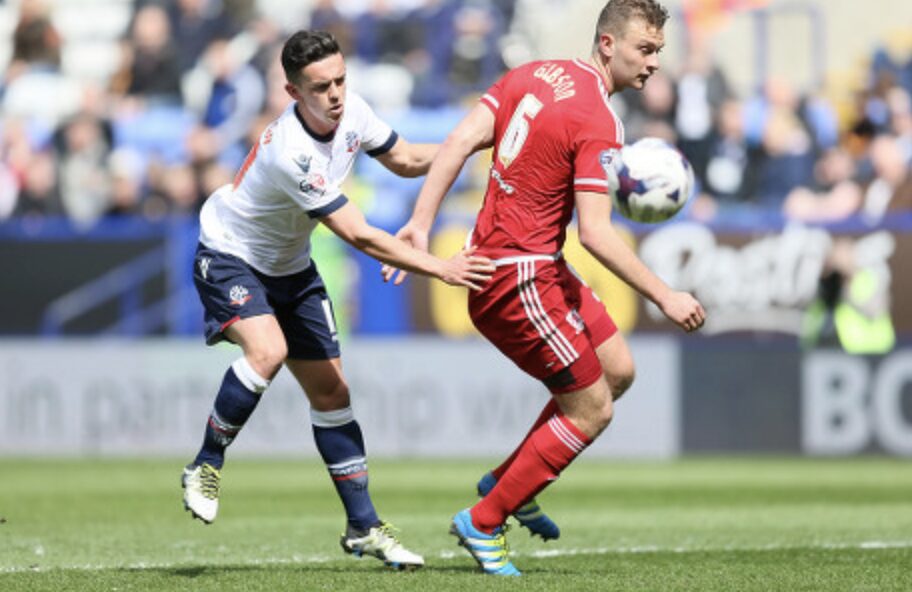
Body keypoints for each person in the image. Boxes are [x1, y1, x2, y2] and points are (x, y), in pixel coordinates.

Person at [385, 0, 705, 576]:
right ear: (608, 44)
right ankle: (484, 521)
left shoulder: (531, 73)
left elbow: (458, 141)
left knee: (618, 370)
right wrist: (666, 295)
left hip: (534, 264)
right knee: (592, 410)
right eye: (645, 49)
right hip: (517, 277)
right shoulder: (600, 121)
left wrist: (422, 223)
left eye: (659, 50)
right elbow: (599, 236)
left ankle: (510, 483)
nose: (654, 63)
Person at [181, 30, 495, 571]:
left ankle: (363, 526)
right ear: (292, 91)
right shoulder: (290, 153)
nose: (336, 94)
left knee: (332, 393)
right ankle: (205, 463)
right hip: (231, 254)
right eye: (321, 86)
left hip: (290, 267)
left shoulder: (353, 111)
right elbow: (361, 235)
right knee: (267, 351)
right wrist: (441, 268)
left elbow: (404, 160)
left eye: (341, 80)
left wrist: (472, 143)